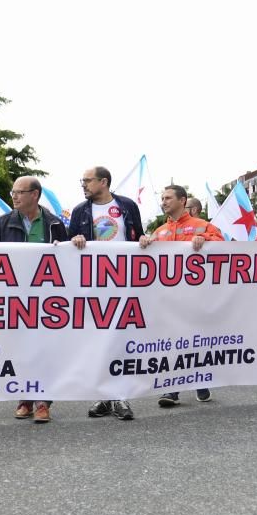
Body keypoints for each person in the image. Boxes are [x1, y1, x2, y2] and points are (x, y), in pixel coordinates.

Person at [0, 176, 69, 423]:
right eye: (13, 192)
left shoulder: (54, 224)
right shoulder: (3, 223)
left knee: (45, 350)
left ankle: (44, 401)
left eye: (19, 192)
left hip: (46, 299)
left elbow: (67, 260)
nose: (14, 196)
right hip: (14, 299)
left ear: (35, 195)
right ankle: (25, 398)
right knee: (20, 349)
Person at [69, 166, 145, 421]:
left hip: (124, 282)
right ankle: (105, 395)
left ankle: (119, 396)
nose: (83, 184)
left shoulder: (126, 206)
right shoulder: (81, 211)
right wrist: (76, 240)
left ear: (104, 182)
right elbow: (69, 247)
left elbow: (139, 236)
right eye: (83, 180)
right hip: (94, 284)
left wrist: (144, 241)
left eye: (87, 180)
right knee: (99, 339)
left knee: (120, 338)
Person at [139, 185, 224, 406]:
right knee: (169, 342)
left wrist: (205, 238)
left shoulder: (201, 226)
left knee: (194, 341)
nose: (163, 202)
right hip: (167, 299)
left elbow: (224, 245)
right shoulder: (159, 231)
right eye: (162, 198)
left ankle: (200, 381)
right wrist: (145, 243)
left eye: (168, 198)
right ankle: (171, 390)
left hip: (196, 298)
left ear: (182, 200)